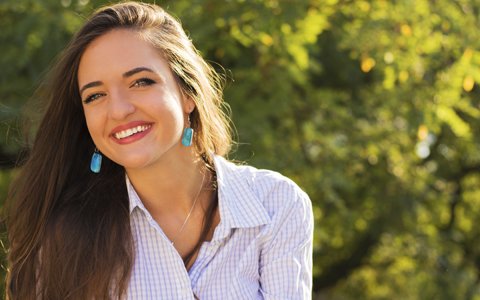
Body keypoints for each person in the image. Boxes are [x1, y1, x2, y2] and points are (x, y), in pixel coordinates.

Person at [5, 2, 313, 299]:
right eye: (95, 95)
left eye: (141, 81)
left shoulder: (275, 206)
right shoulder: (60, 237)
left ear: (187, 93)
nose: (119, 110)